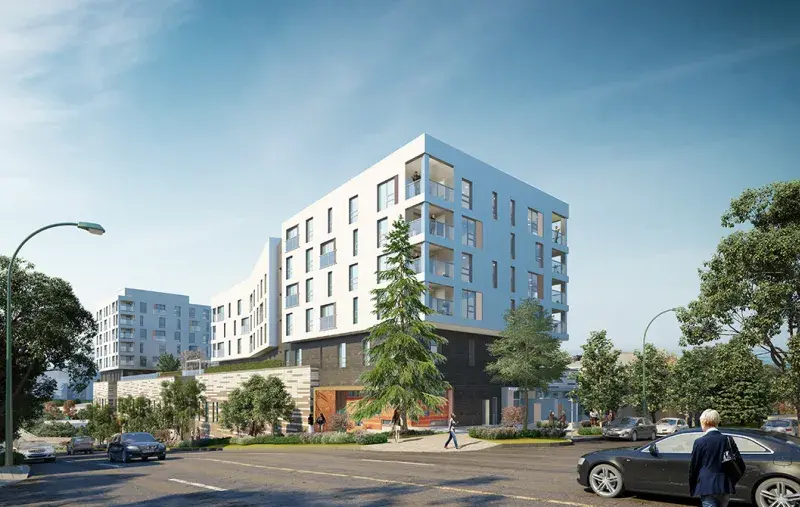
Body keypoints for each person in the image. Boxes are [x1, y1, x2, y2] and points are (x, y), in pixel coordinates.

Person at [689, 409, 745, 507]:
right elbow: (740, 463)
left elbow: (694, 467)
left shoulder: (700, 442)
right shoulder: (728, 439)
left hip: (707, 486)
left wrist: (693, 487)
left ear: (703, 422)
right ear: (717, 422)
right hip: (725, 485)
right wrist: (732, 480)